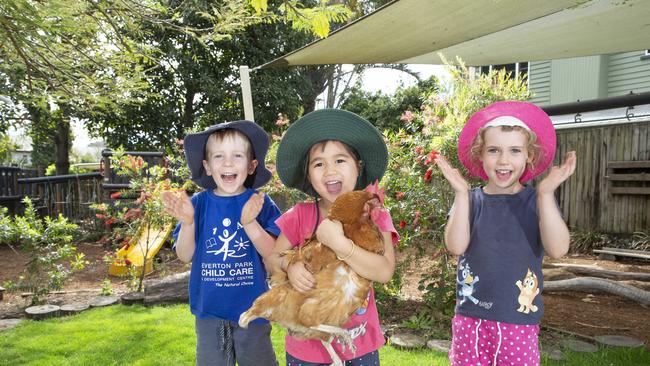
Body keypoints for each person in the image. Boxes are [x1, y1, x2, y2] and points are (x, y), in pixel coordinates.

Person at [435, 101, 577, 366]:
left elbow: (558, 249)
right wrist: (460, 193)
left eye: (514, 150)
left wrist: (546, 193)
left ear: (529, 156)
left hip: (518, 322)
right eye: (493, 150)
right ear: (480, 155)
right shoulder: (470, 200)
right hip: (470, 319)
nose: (503, 160)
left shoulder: (537, 201)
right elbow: (456, 246)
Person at [266, 109, 399, 366]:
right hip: (306, 348)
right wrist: (289, 265)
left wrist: (339, 244)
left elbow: (384, 272)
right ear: (309, 175)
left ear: (357, 167)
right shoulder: (299, 216)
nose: (329, 171)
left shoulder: (376, 215)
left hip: (359, 346)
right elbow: (271, 258)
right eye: (318, 164)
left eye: (340, 160)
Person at [161, 120, 281, 366]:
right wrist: (189, 223)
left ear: (251, 165)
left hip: (253, 311)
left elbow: (272, 252)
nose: (228, 163)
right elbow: (185, 255)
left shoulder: (260, 203)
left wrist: (250, 223)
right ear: (207, 166)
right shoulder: (197, 205)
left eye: (237, 155)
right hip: (209, 314)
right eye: (219, 156)